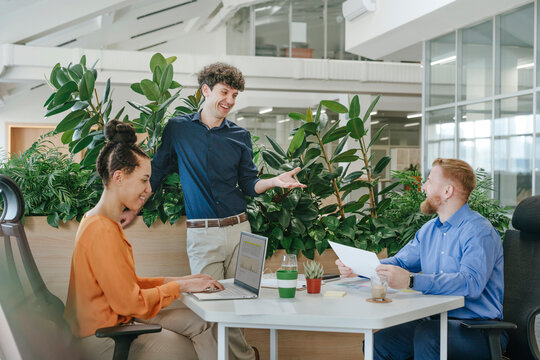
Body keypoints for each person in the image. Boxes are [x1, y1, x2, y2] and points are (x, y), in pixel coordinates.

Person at [63, 120, 256, 360]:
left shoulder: (97, 221)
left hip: (117, 322)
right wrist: (181, 287)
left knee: (208, 323)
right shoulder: (102, 230)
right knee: (198, 347)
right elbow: (130, 303)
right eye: (143, 180)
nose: (147, 189)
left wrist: (186, 280)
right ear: (119, 177)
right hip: (104, 336)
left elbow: (128, 284)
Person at [121, 62, 304, 280]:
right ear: (206, 90)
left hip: (241, 231)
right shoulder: (178, 129)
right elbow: (157, 171)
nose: (230, 100)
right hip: (202, 234)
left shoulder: (240, 136)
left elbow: (248, 184)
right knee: (211, 302)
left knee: (246, 300)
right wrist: (133, 207)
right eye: (224, 92)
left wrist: (274, 181)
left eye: (235, 95)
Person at [336, 158, 508, 360]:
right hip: (434, 321)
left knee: (428, 337)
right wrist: (362, 268)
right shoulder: (429, 230)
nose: (423, 187)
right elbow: (401, 262)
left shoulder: (479, 231)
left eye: (429, 181)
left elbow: (471, 283)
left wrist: (411, 281)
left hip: (478, 329)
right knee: (379, 344)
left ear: (447, 191)